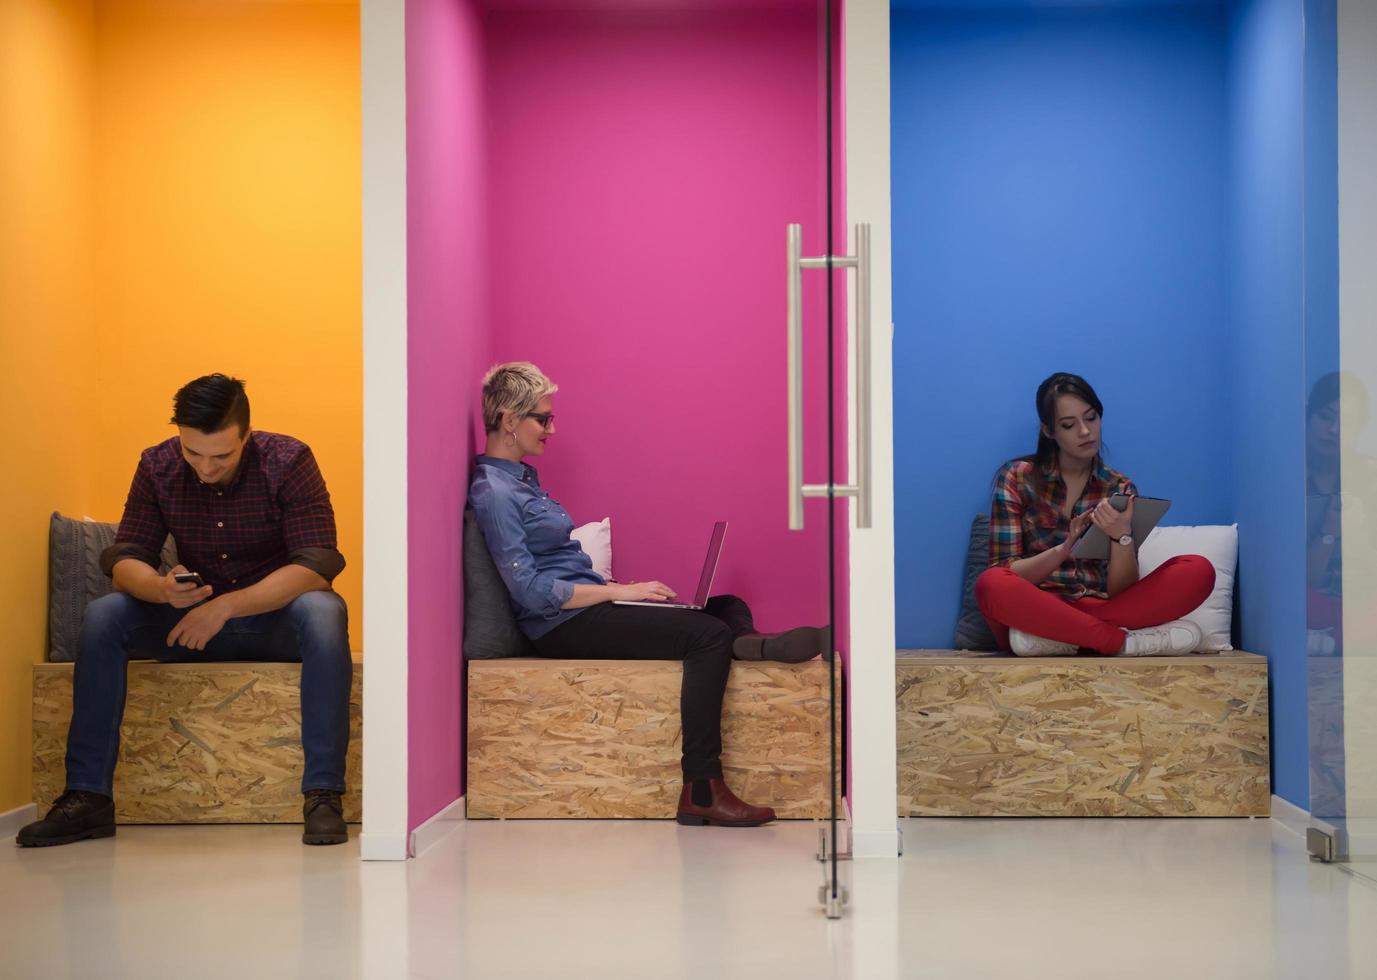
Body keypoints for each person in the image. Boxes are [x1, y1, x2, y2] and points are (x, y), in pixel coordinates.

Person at [469, 362, 827, 827]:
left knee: (724, 605)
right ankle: (701, 789)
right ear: (509, 421)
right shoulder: (495, 492)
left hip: (587, 607)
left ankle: (750, 643)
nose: (552, 429)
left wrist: (619, 594)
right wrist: (621, 591)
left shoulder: (520, 480)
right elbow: (532, 592)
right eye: (543, 418)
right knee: (706, 636)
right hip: (561, 626)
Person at [18, 374, 353, 847]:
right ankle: (87, 799)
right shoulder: (157, 465)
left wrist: (227, 607)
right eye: (192, 453)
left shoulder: (289, 460)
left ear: (247, 436)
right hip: (188, 622)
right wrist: (159, 588)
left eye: (221, 456)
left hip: (272, 620)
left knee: (323, 611)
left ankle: (323, 794)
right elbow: (124, 556)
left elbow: (317, 564)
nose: (205, 468)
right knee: (103, 616)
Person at [974, 372, 1215, 657]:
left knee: (1198, 570)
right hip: (1036, 608)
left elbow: (1122, 592)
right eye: (1068, 424)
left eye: (1091, 418)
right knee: (991, 584)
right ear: (1049, 431)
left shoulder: (1120, 488)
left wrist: (1121, 537)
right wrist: (1064, 550)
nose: (1086, 432)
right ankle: (1121, 643)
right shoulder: (1016, 477)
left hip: (1099, 607)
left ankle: (1061, 640)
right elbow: (1005, 570)